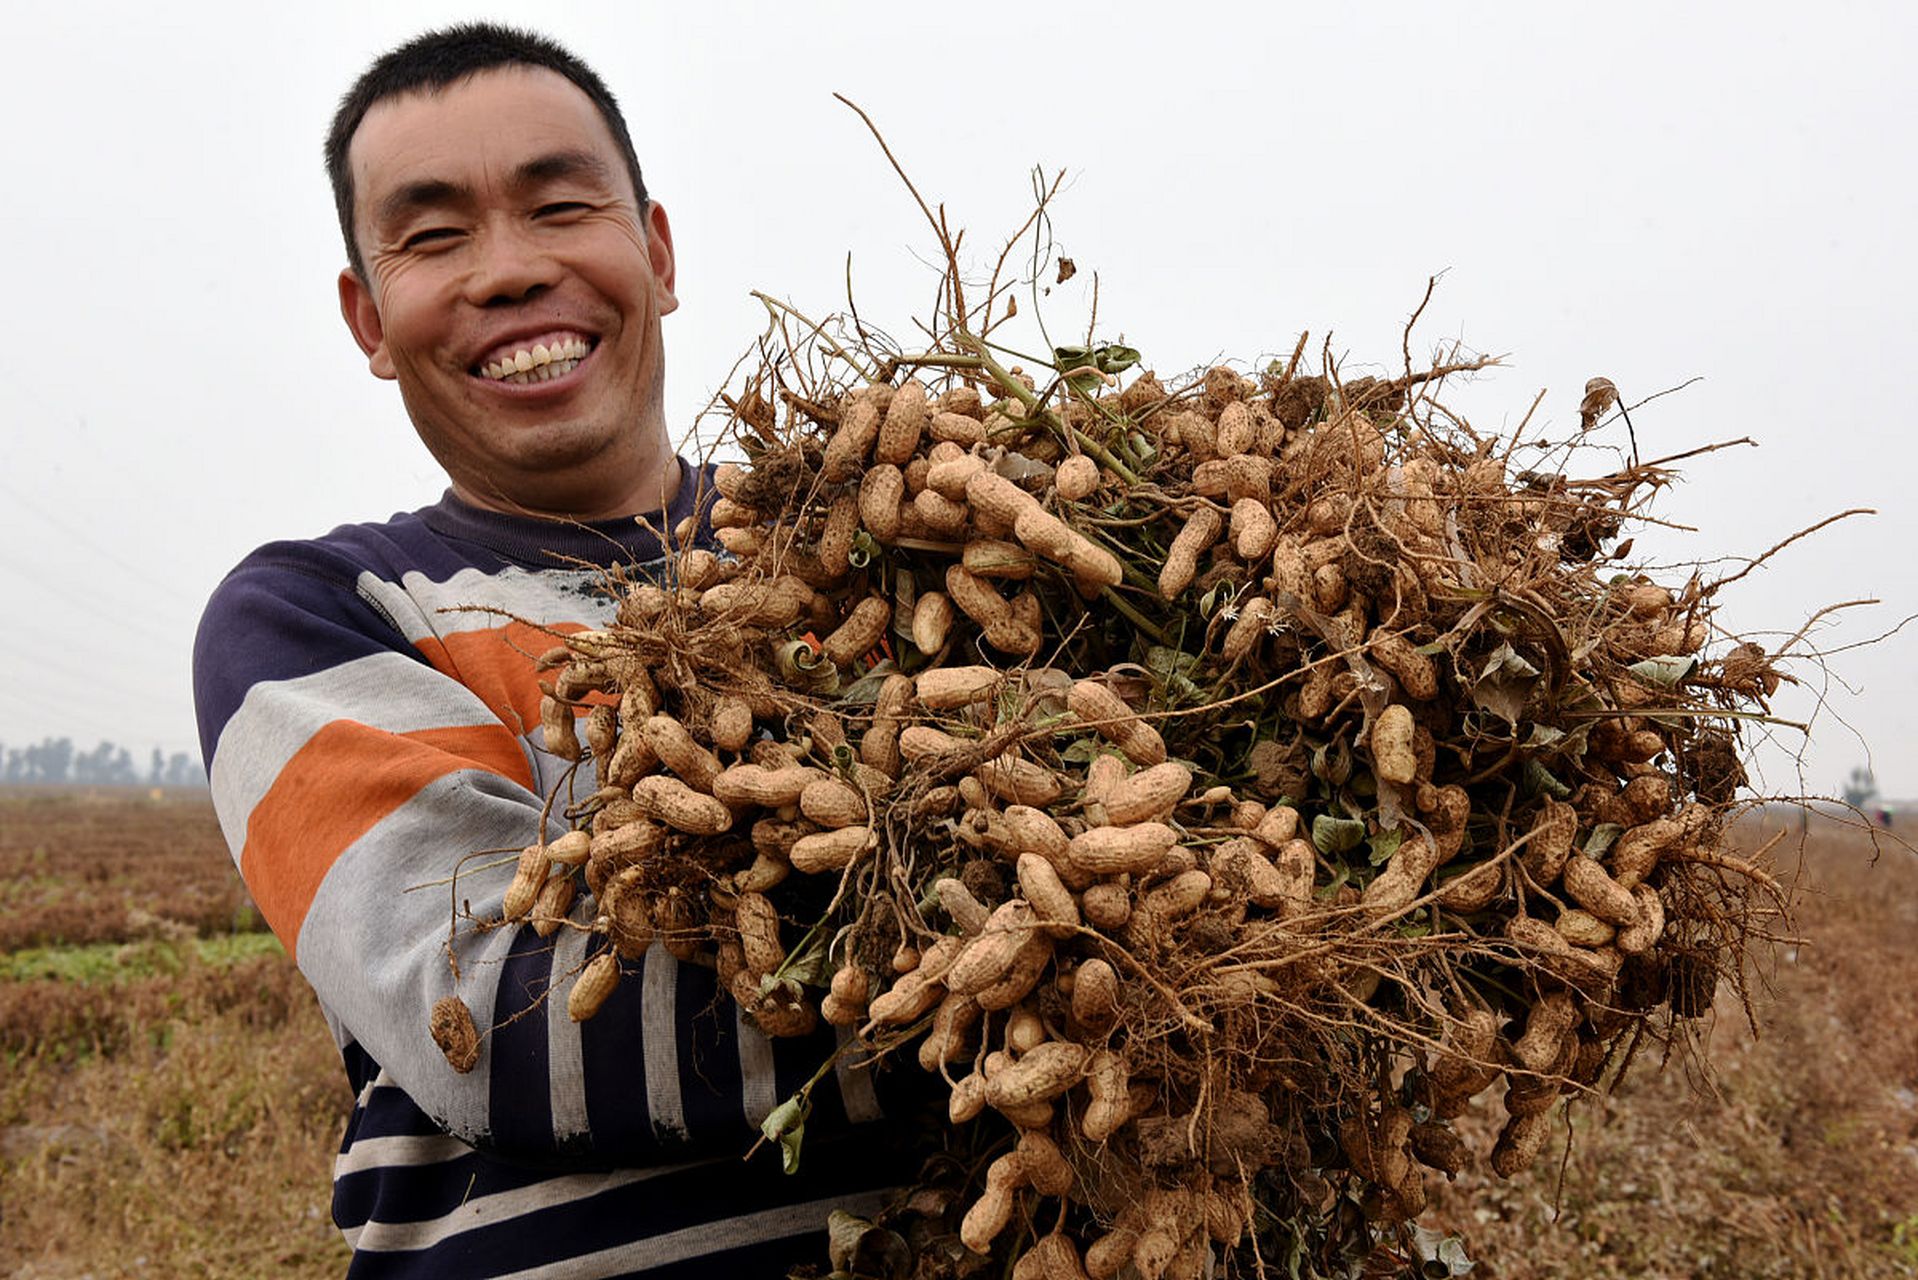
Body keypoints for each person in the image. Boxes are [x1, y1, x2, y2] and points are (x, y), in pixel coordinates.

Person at [194, 24, 915, 1277]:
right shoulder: (316, 614)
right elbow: (503, 1016)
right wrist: (1102, 980)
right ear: (369, 319)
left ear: (658, 250)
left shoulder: (890, 539)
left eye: (560, 205)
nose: (511, 272)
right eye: (433, 236)